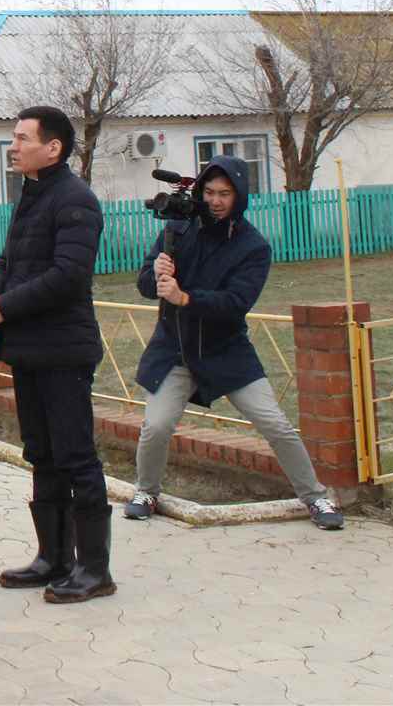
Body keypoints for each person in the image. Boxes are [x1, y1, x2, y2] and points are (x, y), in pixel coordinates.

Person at [125, 157, 345, 530]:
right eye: (209, 192)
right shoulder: (178, 227)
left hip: (226, 350)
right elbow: (147, 285)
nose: (215, 200)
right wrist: (156, 274)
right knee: (156, 426)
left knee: (275, 424)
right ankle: (146, 492)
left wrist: (185, 298)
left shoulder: (252, 246)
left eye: (224, 193)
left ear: (239, 196)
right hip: (175, 349)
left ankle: (315, 496)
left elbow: (236, 303)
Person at [0, 105, 114, 603]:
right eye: (13, 137)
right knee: (42, 454)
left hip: (64, 349)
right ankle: (53, 558)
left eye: (22, 138)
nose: (14, 147)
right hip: (31, 348)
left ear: (53, 148)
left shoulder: (75, 200)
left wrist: (4, 307)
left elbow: (68, 276)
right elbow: (12, 260)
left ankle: (94, 569)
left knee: (75, 456)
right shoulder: (33, 194)